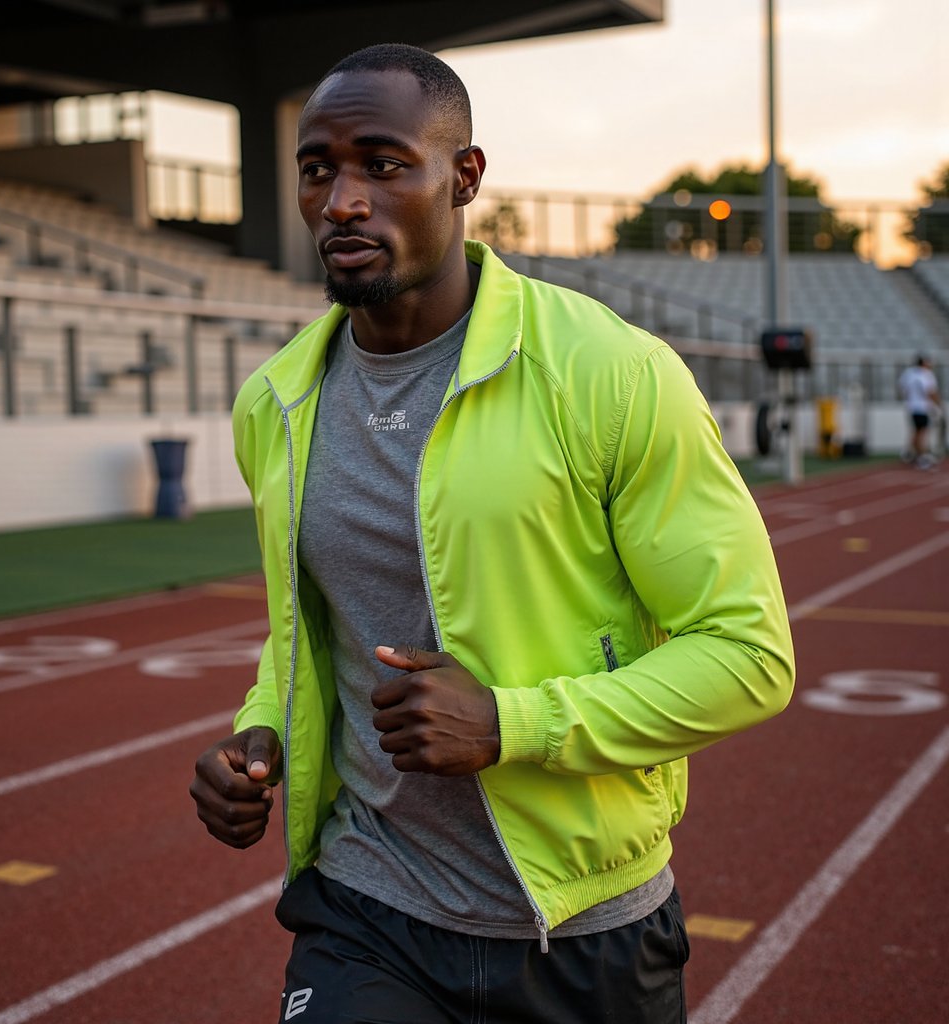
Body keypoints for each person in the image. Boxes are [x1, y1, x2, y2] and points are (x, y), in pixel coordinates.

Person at [190, 43, 795, 1024]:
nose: (343, 200)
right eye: (318, 169)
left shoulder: (611, 373)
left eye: (383, 165)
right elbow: (311, 623)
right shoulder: (277, 403)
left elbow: (748, 655)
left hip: (584, 932)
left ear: (464, 176)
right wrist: (262, 727)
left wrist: (511, 724)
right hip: (365, 908)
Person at [898, 354, 942, 469]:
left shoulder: (909, 373)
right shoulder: (926, 374)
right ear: (923, 363)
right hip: (922, 407)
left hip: (912, 406)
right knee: (922, 431)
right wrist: (939, 405)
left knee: (916, 430)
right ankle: (921, 456)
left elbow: (903, 389)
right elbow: (930, 391)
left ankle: (908, 452)